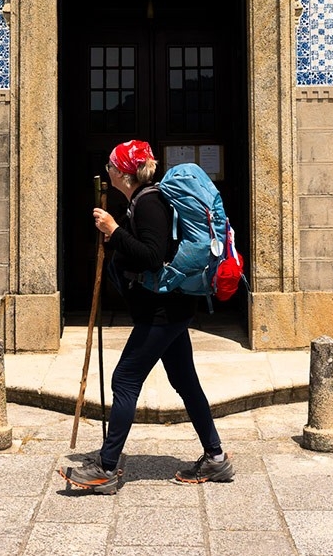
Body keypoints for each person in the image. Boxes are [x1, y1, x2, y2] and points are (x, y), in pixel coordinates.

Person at [61, 139, 233, 492]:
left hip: (162, 312)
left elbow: (153, 256)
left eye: (111, 165)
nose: (107, 170)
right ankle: (215, 458)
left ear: (123, 172)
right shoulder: (141, 201)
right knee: (185, 382)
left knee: (124, 381)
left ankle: (106, 469)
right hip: (169, 309)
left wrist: (114, 231)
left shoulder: (150, 203)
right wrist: (116, 236)